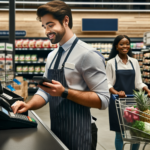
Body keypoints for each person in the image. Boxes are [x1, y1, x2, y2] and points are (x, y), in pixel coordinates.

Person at [11, 1, 110, 150]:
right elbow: (45, 91)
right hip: (57, 128)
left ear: (65, 20)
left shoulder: (88, 54)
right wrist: (28, 105)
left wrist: (64, 92)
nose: (46, 31)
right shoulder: (51, 56)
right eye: (44, 27)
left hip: (82, 131)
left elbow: (103, 100)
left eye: (50, 25)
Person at [106, 35, 150, 150]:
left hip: (133, 102)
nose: (125, 46)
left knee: (137, 132)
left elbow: (138, 83)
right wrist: (116, 92)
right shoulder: (111, 63)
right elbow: (108, 84)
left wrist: (147, 89)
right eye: (121, 44)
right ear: (116, 47)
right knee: (120, 134)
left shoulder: (134, 62)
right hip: (117, 102)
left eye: (127, 44)